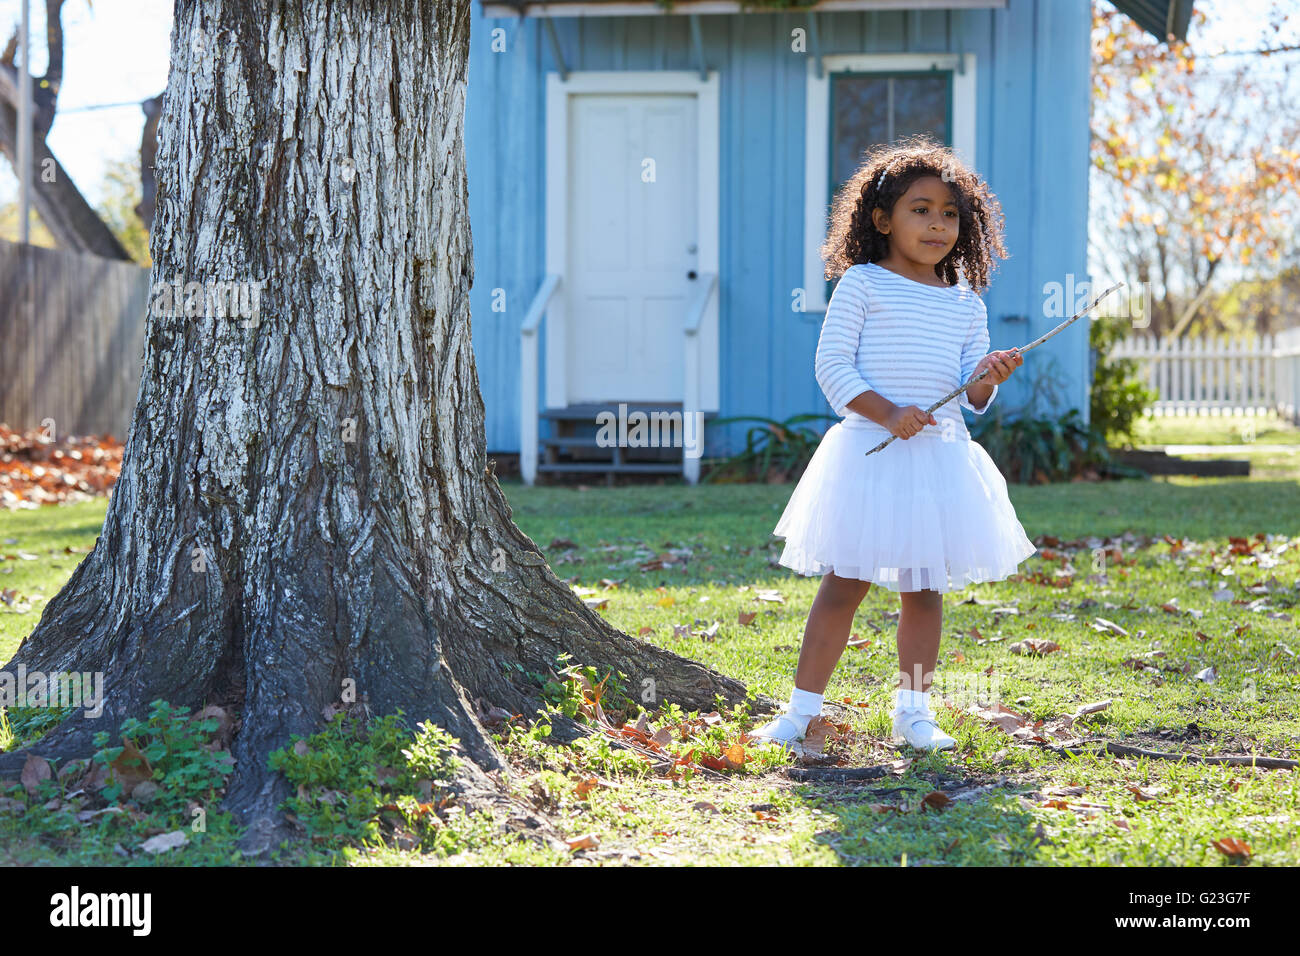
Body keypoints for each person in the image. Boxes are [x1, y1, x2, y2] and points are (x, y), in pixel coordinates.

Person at [752, 136, 1036, 752]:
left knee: (923, 589)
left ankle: (913, 711)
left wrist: (985, 379)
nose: (938, 224)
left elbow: (968, 396)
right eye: (921, 209)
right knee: (843, 584)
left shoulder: (965, 304)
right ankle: (801, 710)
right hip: (868, 458)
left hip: (938, 463)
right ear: (882, 219)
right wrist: (887, 413)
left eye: (950, 214)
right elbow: (833, 367)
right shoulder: (861, 284)